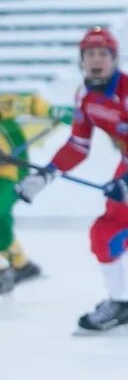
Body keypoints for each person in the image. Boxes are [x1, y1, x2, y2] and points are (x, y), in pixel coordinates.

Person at [17, 27, 128, 332]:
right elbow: (77, 146)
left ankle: (120, 305)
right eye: (90, 54)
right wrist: (45, 176)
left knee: (107, 234)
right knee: (115, 226)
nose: (96, 60)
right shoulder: (85, 96)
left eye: (103, 54)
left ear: (114, 59)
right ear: (81, 60)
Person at [0, 92, 74, 291]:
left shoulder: (2, 102)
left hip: (11, 171)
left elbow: (29, 103)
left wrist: (55, 111)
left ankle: (17, 265)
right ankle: (21, 265)